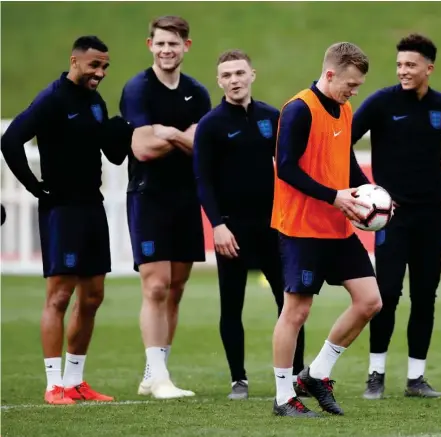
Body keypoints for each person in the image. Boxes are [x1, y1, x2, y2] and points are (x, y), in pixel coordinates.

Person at [0, 36, 132, 404]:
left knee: (92, 297)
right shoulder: (52, 98)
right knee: (59, 296)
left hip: (93, 205)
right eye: (94, 66)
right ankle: (53, 385)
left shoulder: (94, 102)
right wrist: (34, 187)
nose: (100, 73)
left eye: (105, 67)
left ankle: (75, 381)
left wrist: (121, 131)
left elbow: (114, 155)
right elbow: (11, 141)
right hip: (62, 210)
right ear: (75, 61)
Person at [351, 33, 441, 400]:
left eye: (410, 65)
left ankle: (416, 379)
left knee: (425, 296)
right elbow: (343, 144)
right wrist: (367, 189)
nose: (402, 71)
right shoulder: (380, 103)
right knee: (387, 294)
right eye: (399, 65)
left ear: (429, 68)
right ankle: (375, 374)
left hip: (431, 217)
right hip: (392, 218)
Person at [270, 42, 382, 417]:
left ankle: (316, 374)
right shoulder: (299, 109)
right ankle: (284, 396)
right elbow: (285, 167)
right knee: (296, 312)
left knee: (370, 301)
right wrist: (333, 197)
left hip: (338, 226)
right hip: (302, 227)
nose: (353, 92)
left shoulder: (345, 109)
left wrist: (371, 193)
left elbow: (345, 161)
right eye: (350, 84)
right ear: (330, 73)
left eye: (358, 86)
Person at [193, 49, 308, 400]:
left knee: (289, 303)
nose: (234, 80)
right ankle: (238, 379)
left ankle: (296, 376)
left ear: (252, 75)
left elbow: (292, 164)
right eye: (226, 75)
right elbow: (203, 180)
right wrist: (217, 225)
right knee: (232, 304)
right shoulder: (211, 125)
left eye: (239, 73)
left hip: (274, 227)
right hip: (232, 230)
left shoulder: (272, 117)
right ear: (219, 81)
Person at [119, 15, 211, 399]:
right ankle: (159, 380)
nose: (166, 50)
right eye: (159, 43)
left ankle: (153, 372)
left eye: (173, 44)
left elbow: (204, 148)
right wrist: (181, 134)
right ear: (149, 46)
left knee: (175, 288)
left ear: (186, 46)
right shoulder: (138, 89)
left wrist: (165, 133)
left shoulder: (198, 93)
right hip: (149, 195)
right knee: (155, 286)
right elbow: (140, 147)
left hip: (186, 197)